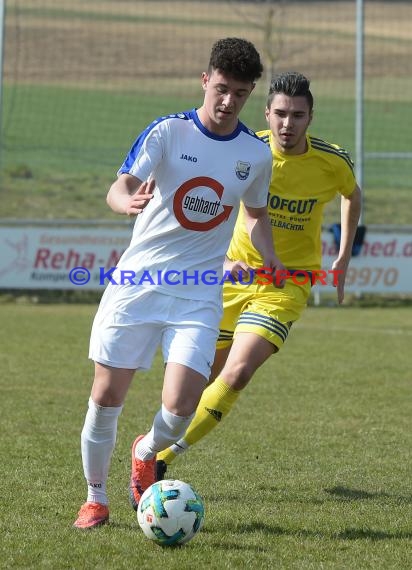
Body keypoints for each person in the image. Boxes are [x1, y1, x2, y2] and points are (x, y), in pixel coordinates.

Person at [73, 37, 286, 529]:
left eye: (240, 93)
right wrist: (123, 202)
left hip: (197, 292)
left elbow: (255, 215)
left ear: (250, 92)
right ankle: (96, 498)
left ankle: (146, 451)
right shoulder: (168, 132)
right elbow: (121, 184)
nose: (229, 101)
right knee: (106, 396)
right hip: (138, 283)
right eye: (222, 88)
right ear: (205, 80)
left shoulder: (254, 155)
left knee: (181, 405)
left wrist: (269, 255)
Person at [156, 71, 362, 477]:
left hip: (287, 284)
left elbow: (352, 194)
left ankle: (159, 459)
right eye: (281, 114)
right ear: (266, 114)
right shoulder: (248, 152)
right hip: (234, 279)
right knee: (195, 386)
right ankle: (151, 445)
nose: (288, 124)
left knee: (237, 373)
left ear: (310, 118)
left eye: (298, 115)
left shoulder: (331, 161)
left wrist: (343, 256)